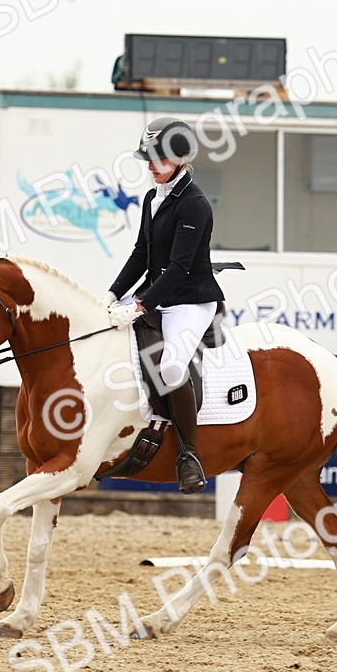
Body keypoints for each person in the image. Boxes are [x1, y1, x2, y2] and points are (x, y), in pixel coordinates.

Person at [101, 116, 224, 494]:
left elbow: (180, 267)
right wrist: (111, 294)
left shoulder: (195, 204)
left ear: (182, 158)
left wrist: (139, 304)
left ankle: (189, 455)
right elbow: (142, 254)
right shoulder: (153, 198)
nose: (151, 166)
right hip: (157, 297)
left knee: (171, 367)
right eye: (148, 159)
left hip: (190, 302)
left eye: (158, 159)